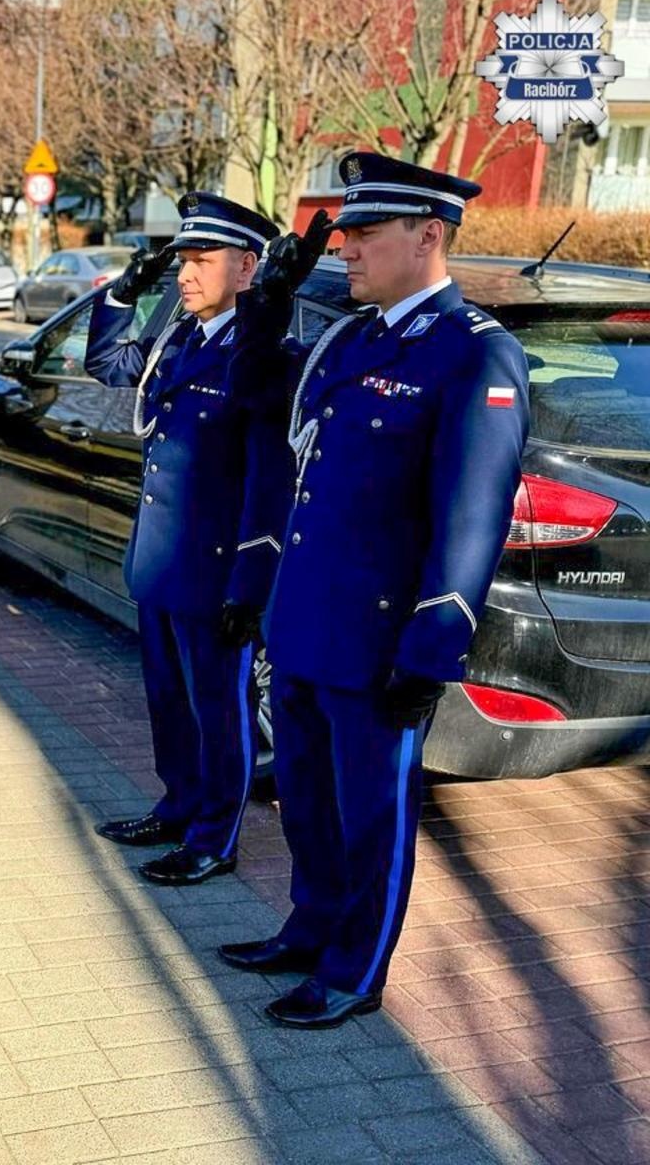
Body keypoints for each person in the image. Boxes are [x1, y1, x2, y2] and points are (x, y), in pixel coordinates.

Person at [219, 152, 530, 1029]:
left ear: (427, 234)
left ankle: (357, 970)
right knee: (310, 805)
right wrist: (265, 306)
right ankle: (310, 929)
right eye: (345, 232)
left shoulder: (475, 355)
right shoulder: (350, 338)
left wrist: (433, 647)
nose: (344, 249)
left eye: (363, 232)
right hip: (309, 623)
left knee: (373, 818)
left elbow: (472, 517)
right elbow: (252, 401)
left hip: (382, 641)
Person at [84, 193, 328, 885]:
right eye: (181, 261)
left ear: (248, 268)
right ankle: (179, 803)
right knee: (168, 702)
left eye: (200, 261)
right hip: (162, 564)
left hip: (215, 572)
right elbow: (108, 367)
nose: (184, 275)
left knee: (218, 711)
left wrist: (250, 585)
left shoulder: (265, 360)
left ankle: (215, 835)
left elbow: (267, 482)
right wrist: (120, 295)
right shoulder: (183, 339)